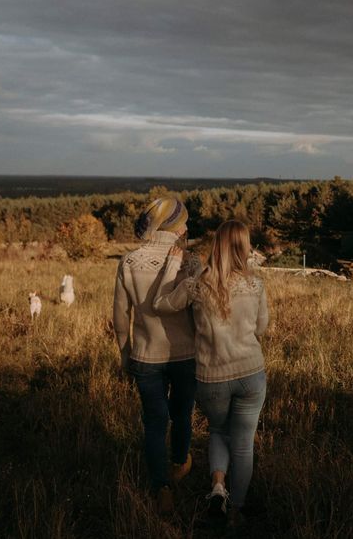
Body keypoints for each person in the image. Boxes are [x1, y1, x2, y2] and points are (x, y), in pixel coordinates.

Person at [153, 220, 268, 529]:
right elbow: (261, 328)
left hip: (212, 376)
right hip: (251, 373)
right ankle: (236, 511)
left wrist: (171, 268)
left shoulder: (196, 284)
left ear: (216, 245)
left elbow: (161, 304)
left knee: (219, 432)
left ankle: (218, 488)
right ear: (244, 246)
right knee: (243, 444)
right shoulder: (255, 284)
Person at [112, 196, 199, 513]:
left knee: (153, 423)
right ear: (175, 227)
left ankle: (161, 487)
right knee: (181, 415)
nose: (188, 226)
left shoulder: (129, 262)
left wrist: (125, 355)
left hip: (145, 357)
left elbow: (121, 317)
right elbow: (200, 315)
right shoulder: (190, 262)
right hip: (185, 355)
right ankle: (179, 464)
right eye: (185, 221)